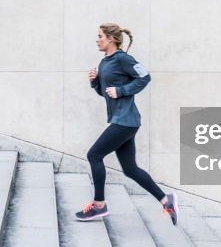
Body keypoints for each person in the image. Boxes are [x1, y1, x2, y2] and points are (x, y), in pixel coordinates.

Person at [75, 23, 178, 225]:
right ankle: (166, 201)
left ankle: (99, 205)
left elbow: (145, 76)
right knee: (130, 169)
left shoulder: (122, 58)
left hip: (125, 120)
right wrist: (95, 82)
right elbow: (106, 93)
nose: (97, 40)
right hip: (122, 121)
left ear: (111, 39)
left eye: (100, 36)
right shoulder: (105, 62)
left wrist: (122, 91)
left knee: (94, 155)